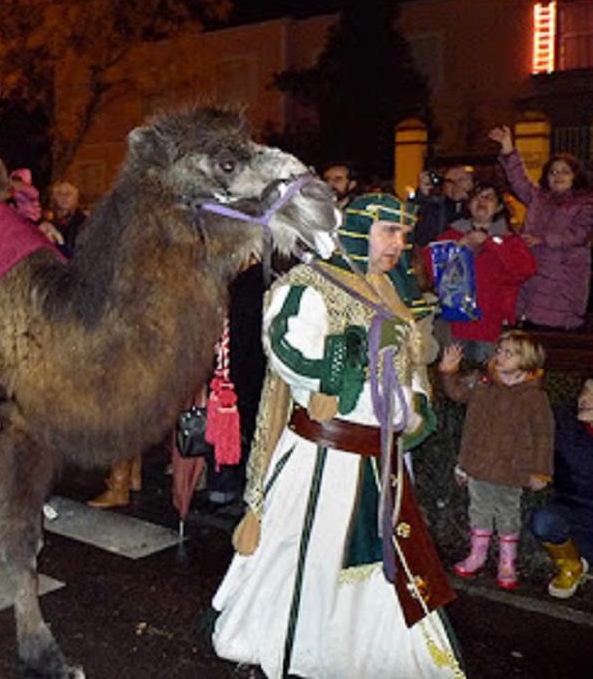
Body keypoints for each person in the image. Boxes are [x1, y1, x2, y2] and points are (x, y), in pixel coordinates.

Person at [212, 193, 463, 678]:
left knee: (377, 567)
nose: (399, 243)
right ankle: (280, 646)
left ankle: (356, 652)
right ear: (356, 230)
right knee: (305, 556)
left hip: (381, 459)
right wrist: (353, 360)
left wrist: (412, 407)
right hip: (321, 458)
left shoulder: (392, 294)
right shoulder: (309, 284)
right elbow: (287, 348)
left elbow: (412, 372)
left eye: (403, 234)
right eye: (389, 231)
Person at [438, 333, 553, 589]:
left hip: (513, 469)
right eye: (499, 350)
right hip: (479, 463)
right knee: (479, 510)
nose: (499, 355)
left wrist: (541, 470)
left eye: (508, 353)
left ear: (527, 362)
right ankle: (477, 554)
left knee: (508, 513)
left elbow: (544, 435)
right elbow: (457, 392)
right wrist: (448, 372)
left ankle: (507, 560)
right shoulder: (483, 383)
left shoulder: (534, 397)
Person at [490, 125, 593, 330]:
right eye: (553, 172)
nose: (558, 176)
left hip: (563, 278)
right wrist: (508, 148)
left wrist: (543, 239)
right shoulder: (539, 198)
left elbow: (580, 234)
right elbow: (519, 181)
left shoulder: (585, 203)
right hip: (532, 271)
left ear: (575, 176)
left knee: (555, 336)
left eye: (565, 171)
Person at [425, 182, 537, 364]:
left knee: (491, 380)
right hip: (455, 324)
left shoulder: (510, 240)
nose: (482, 201)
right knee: (453, 379)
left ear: (499, 206)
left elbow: (525, 270)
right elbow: (433, 273)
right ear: (468, 204)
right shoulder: (450, 236)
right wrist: (459, 247)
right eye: (477, 197)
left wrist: (492, 244)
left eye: (489, 197)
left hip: (492, 324)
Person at [529, 377, 593, 598]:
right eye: (585, 391)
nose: (585, 399)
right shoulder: (565, 422)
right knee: (544, 521)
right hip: (571, 509)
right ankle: (572, 566)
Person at [412, 163, 474, 248]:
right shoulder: (435, 208)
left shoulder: (482, 206)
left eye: (461, 180)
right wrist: (422, 195)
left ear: (472, 182)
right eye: (450, 181)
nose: (456, 185)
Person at [41, 180, 89, 258]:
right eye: (60, 193)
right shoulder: (48, 223)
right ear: (54, 198)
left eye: (69, 193)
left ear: (75, 198)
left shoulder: (83, 223)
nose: (64, 197)